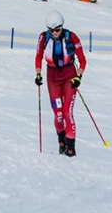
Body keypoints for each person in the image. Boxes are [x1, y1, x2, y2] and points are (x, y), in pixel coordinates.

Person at [34, 10, 87, 157]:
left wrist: (79, 77)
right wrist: (38, 74)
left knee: (67, 113)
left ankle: (71, 148)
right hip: (52, 77)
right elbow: (38, 56)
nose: (55, 33)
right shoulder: (43, 37)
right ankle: (61, 142)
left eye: (58, 29)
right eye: (52, 30)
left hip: (69, 75)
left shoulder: (71, 37)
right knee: (58, 115)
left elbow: (83, 60)